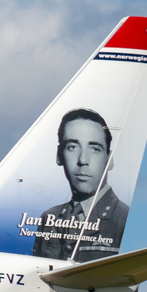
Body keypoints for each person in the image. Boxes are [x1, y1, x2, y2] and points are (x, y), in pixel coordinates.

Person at [31, 108, 128, 261]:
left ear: (109, 159)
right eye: (72, 147)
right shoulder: (49, 217)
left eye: (95, 149)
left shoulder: (124, 219)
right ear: (59, 155)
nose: (83, 160)